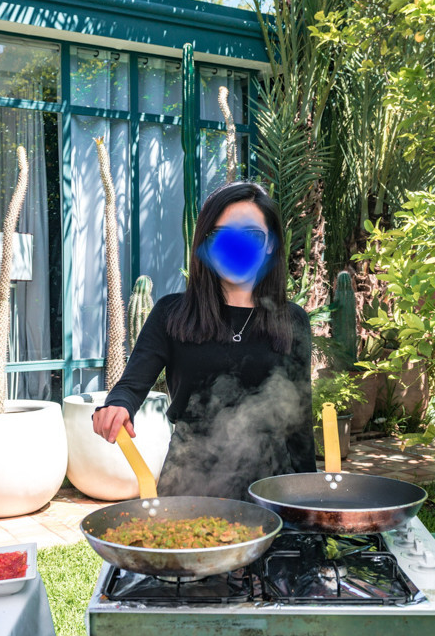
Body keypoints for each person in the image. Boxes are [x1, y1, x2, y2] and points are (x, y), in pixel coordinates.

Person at [92, 181, 315, 500]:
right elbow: (130, 386)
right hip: (190, 483)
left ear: (269, 245)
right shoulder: (171, 313)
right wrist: (115, 406)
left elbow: (300, 425)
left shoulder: (292, 321)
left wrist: (309, 497)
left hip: (274, 491)